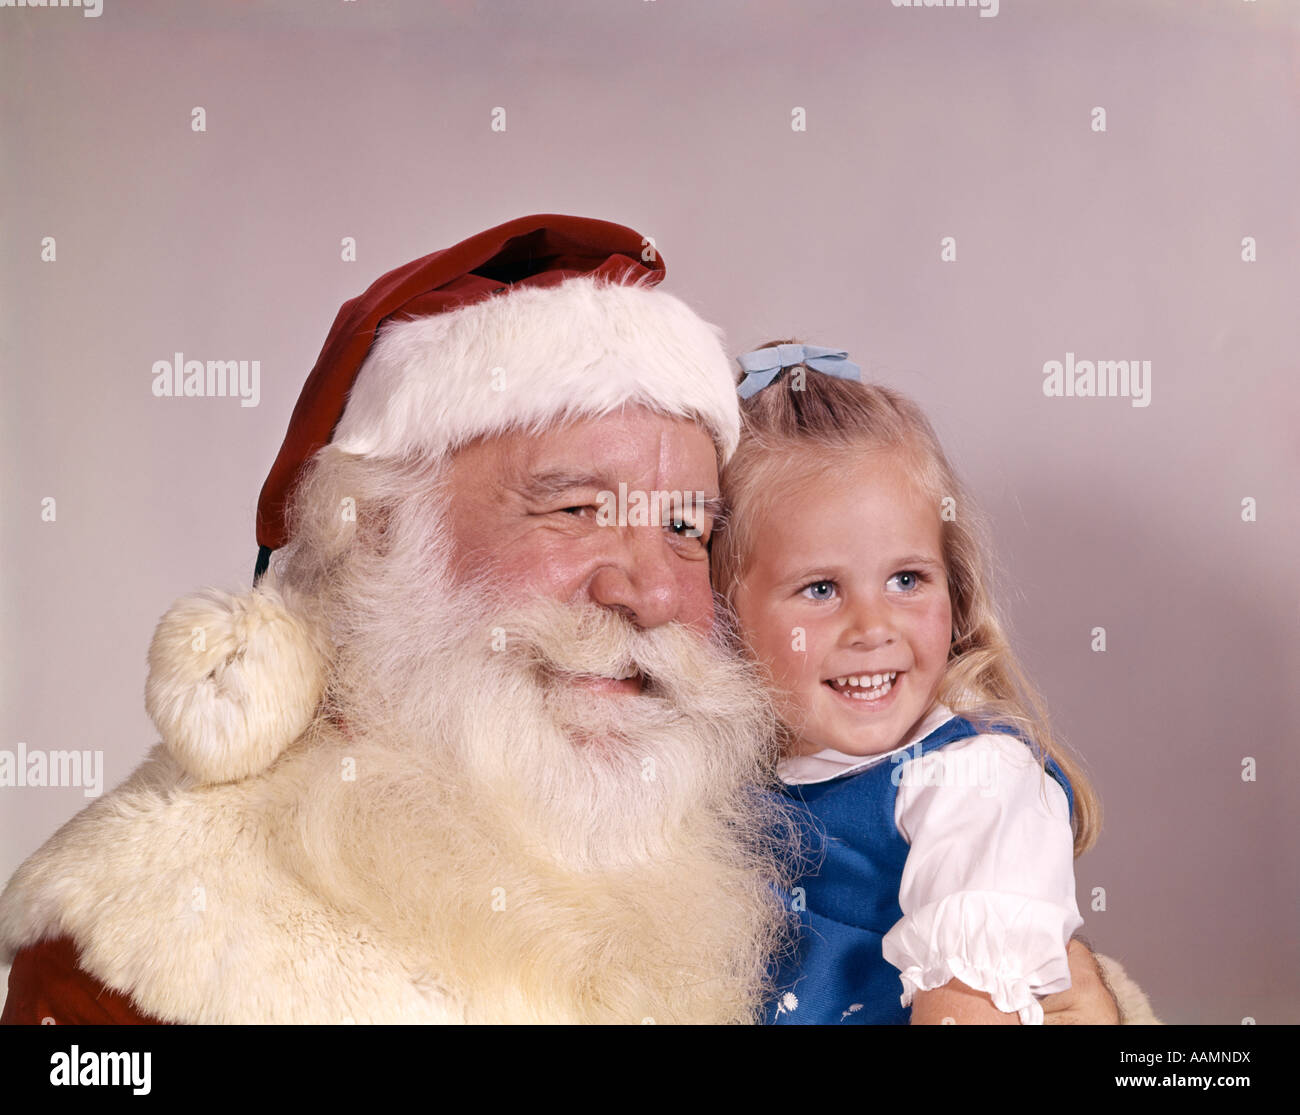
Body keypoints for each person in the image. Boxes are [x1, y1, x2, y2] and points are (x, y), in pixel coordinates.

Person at [0, 217, 1134, 1024]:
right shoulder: (145, 943)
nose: (645, 590)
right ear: (381, 538)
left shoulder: (745, 844)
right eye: (577, 509)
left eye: (688, 528)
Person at [711, 341, 1141, 1024]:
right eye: (820, 588)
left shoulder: (972, 779)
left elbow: (966, 1010)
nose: (872, 626)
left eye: (906, 579)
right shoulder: (725, 783)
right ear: (725, 615)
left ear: (955, 587)